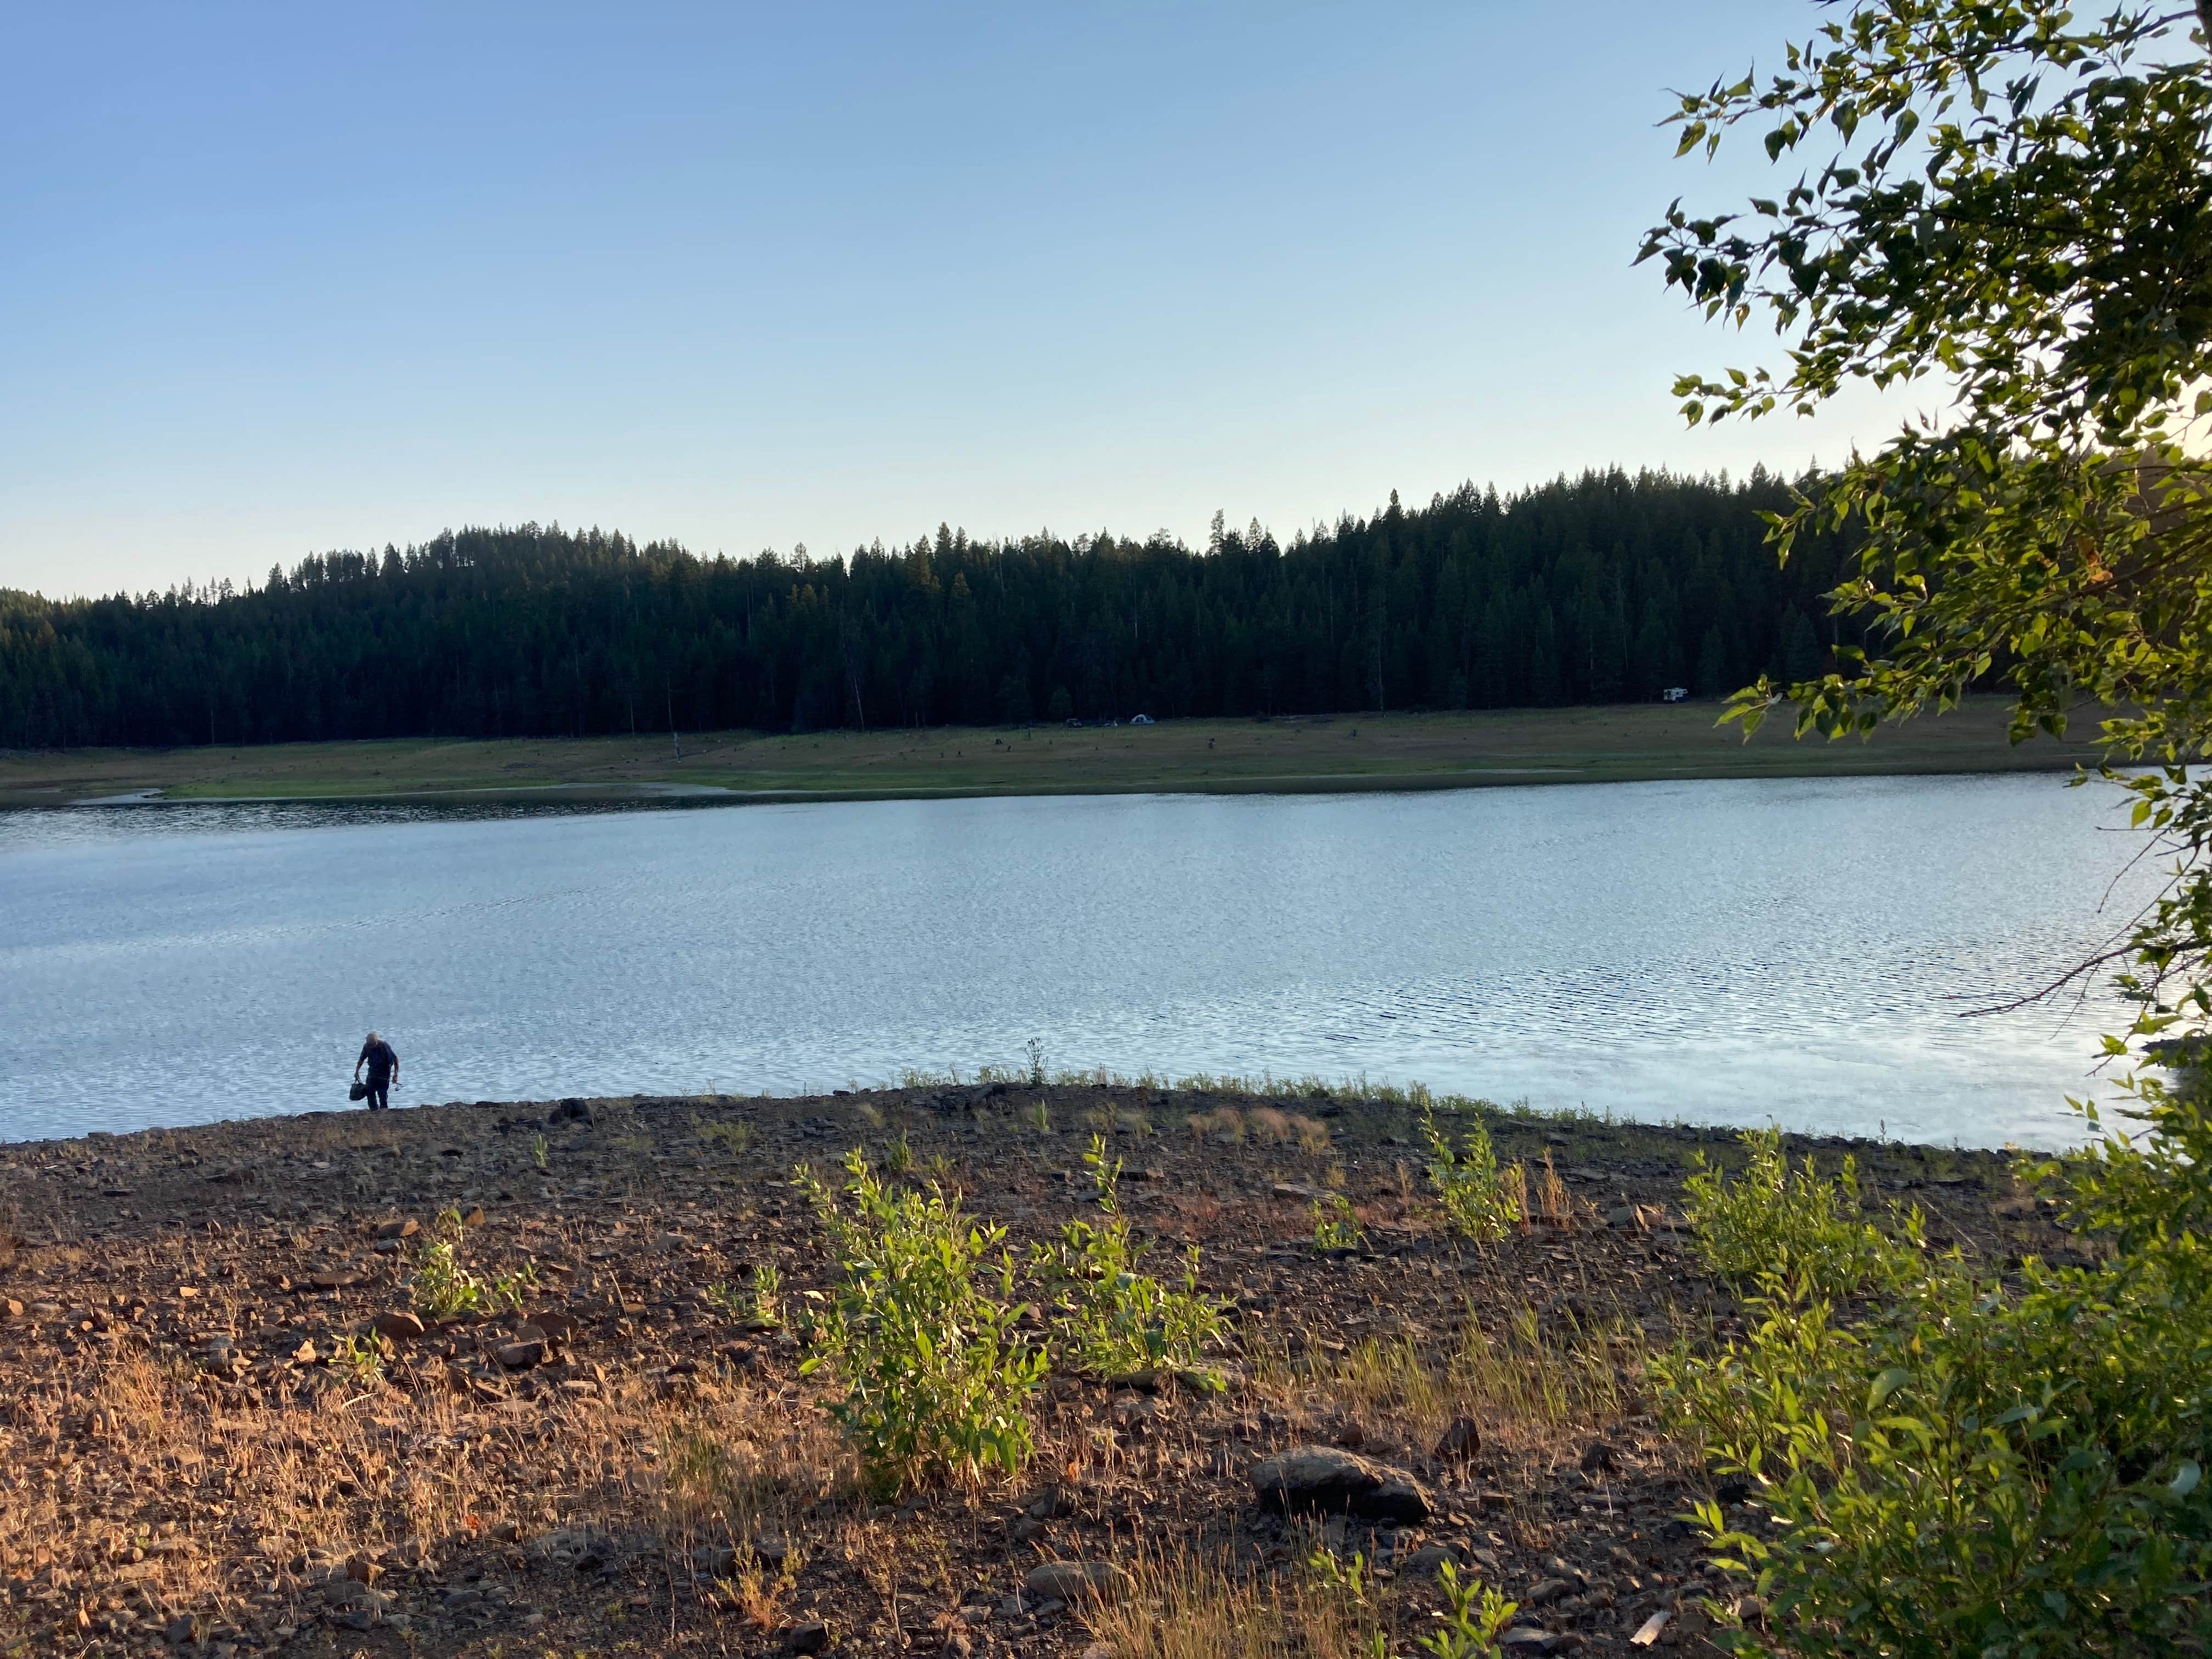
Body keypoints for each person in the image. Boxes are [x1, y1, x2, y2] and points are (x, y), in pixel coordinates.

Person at [354, 1031, 399, 1110]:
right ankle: (374, 1110)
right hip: (372, 1072)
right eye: (369, 1044)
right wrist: (357, 1072)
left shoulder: (384, 1046)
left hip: (384, 1073)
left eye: (373, 1044)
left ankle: (384, 1111)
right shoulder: (366, 1047)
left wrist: (395, 1075)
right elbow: (361, 1060)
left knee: (382, 1094)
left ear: (376, 1042)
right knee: (369, 1092)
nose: (371, 1046)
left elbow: (395, 1059)